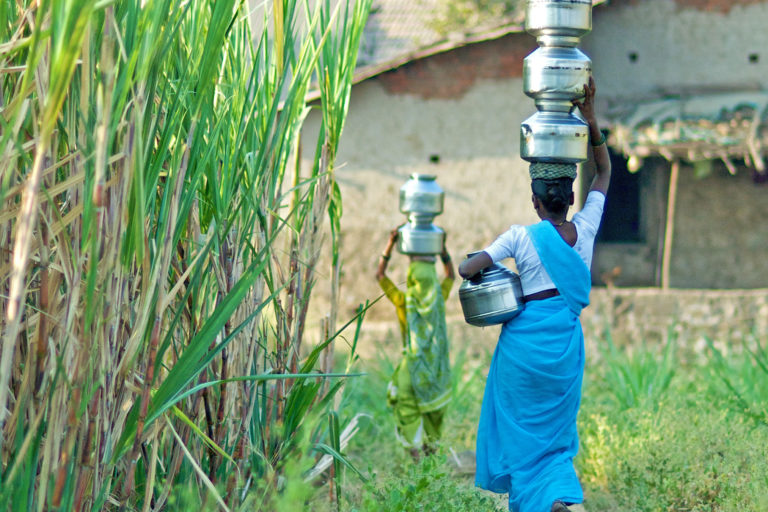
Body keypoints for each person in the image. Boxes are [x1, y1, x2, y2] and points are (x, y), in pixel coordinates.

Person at [458, 77, 611, 512]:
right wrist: (591, 118)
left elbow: (468, 268)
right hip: (563, 345)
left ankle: (533, 502)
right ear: (569, 198)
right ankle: (563, 498)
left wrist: (495, 278)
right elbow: (603, 171)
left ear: (535, 199)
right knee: (556, 438)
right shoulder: (585, 228)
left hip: (523, 349)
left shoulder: (519, 237)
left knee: (520, 432)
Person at [376, 228, 455, 458]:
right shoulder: (439, 298)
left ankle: (415, 459)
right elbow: (450, 275)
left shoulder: (403, 301)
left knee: (406, 411)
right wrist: (442, 250)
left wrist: (390, 244)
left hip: (411, 369)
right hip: (436, 371)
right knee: (434, 414)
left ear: (411, 277)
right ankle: (431, 459)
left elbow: (380, 275)